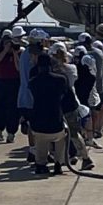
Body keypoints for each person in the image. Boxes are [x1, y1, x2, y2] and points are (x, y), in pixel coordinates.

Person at [29, 42, 76, 176]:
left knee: (40, 140)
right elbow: (68, 98)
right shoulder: (61, 80)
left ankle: (40, 164)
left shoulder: (33, 82)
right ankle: (58, 163)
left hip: (38, 123)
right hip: (56, 122)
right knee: (61, 137)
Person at [18, 29, 47, 163]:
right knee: (38, 124)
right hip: (34, 95)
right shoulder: (35, 55)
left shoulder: (24, 53)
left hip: (24, 94)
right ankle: (38, 152)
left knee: (31, 124)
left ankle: (32, 150)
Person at [0, 27, 23, 144]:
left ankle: (11, 133)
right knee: (0, 107)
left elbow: (19, 67)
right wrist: (5, 50)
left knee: (13, 109)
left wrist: (14, 52)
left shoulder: (19, 51)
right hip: (1, 81)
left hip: (14, 82)